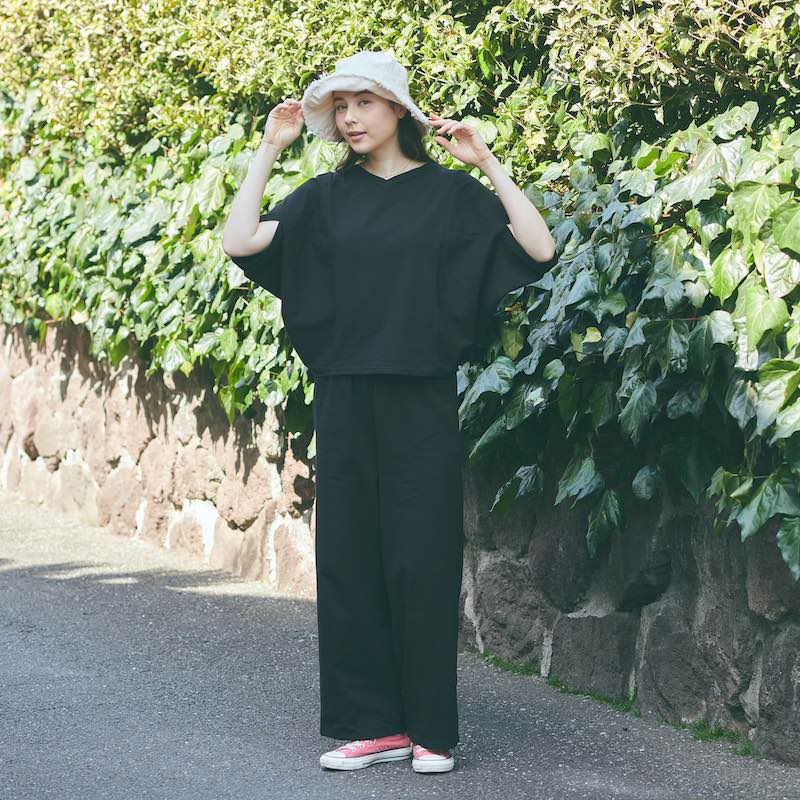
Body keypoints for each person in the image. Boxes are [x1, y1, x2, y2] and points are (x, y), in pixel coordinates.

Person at [222, 50, 556, 775]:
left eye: (363, 103)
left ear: (398, 109)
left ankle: (430, 730)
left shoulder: (450, 195)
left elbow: (539, 248)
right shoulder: (322, 198)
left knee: (422, 558)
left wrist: (486, 162)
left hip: (420, 395)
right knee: (350, 561)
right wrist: (270, 148)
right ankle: (373, 726)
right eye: (339, 107)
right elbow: (239, 241)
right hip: (343, 394)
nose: (349, 118)